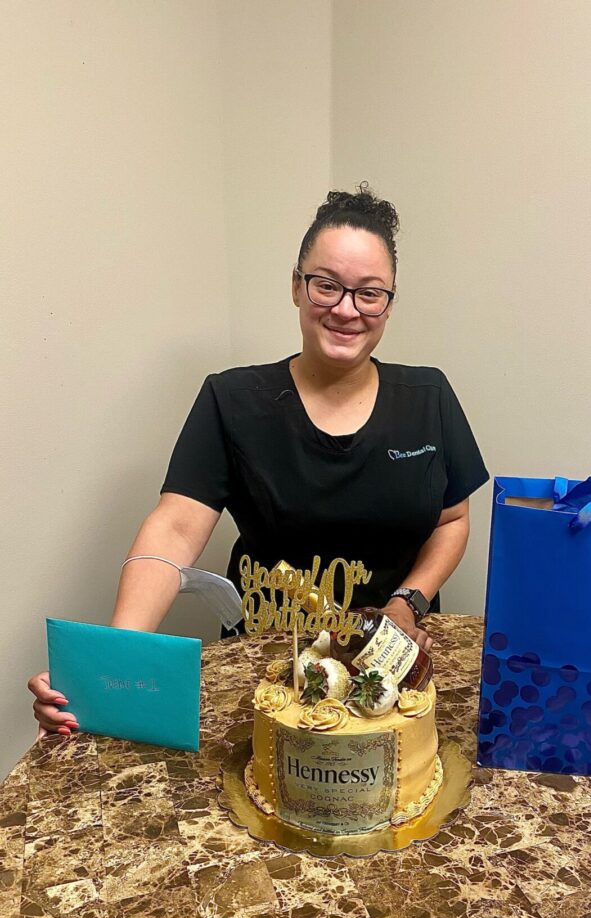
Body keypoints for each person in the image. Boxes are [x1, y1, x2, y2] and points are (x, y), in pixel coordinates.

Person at [29, 184, 489, 736]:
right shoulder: (232, 400)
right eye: (327, 286)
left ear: (389, 304)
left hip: (392, 670)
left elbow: (452, 521)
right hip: (268, 670)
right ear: (297, 287)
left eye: (370, 293)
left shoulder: (429, 397)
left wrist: (407, 604)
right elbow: (173, 531)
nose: (347, 309)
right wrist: (117, 663)